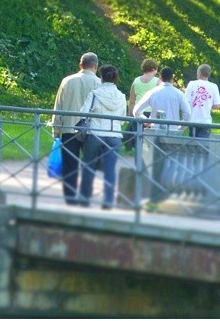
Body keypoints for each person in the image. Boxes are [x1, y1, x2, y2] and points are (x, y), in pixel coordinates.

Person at [51, 52, 101, 205]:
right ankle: (85, 197)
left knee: (69, 165)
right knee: (89, 164)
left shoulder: (67, 81)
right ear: (96, 67)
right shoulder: (100, 83)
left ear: (80, 65)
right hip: (91, 130)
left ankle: (70, 198)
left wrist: (56, 128)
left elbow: (58, 106)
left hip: (69, 128)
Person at [78, 65, 127, 210]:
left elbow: (83, 113)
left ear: (101, 77)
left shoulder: (94, 94)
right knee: (110, 169)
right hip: (114, 135)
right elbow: (123, 118)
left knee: (89, 165)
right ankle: (108, 200)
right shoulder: (121, 96)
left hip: (95, 133)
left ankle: (85, 198)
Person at [132, 66, 192, 131]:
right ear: (172, 78)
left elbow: (136, 111)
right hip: (172, 131)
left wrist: (146, 121)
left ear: (160, 77)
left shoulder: (152, 92)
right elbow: (187, 113)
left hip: (155, 131)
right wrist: (180, 128)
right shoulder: (179, 94)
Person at [184, 64, 220, 138]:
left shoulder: (191, 84)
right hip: (206, 121)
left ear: (199, 73)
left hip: (192, 120)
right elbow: (217, 105)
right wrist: (208, 105)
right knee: (203, 145)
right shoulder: (214, 86)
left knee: (192, 145)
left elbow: (185, 101)